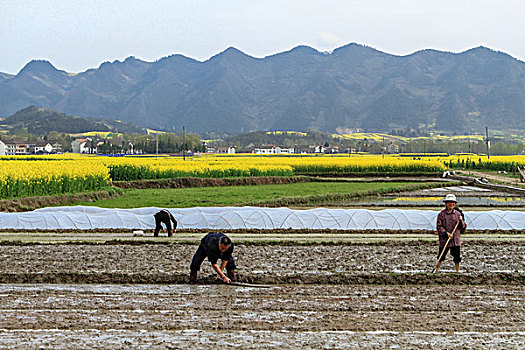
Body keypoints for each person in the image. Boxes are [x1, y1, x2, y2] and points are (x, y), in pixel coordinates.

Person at [435, 194, 466, 272]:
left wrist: (461, 221)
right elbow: (439, 227)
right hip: (445, 240)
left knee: (457, 257)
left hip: (455, 240)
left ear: (455, 204)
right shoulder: (441, 214)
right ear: (446, 203)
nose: (451, 204)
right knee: (441, 256)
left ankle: (457, 271)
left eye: (452, 202)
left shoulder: (458, 214)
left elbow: (463, 226)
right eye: (449, 202)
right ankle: (436, 270)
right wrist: (446, 233)